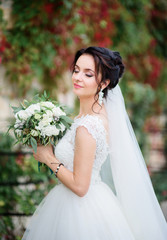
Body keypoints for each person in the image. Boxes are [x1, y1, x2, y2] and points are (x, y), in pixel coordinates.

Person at [22, 47, 167, 240]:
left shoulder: (88, 126)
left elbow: (80, 186)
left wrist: (48, 157)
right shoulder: (88, 117)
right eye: (76, 70)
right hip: (82, 202)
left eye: (88, 74)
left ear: (104, 83)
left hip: (80, 211)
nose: (77, 77)